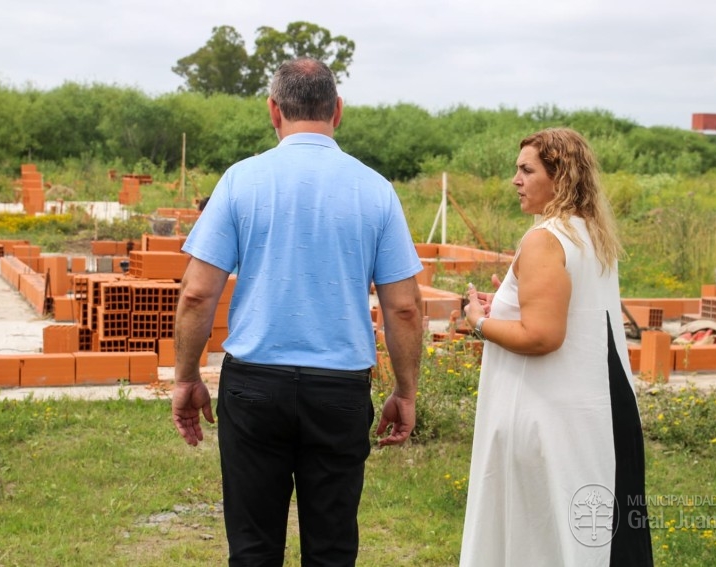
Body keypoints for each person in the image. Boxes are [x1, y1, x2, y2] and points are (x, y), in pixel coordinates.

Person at [171, 57, 424, 566]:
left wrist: (185, 377)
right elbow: (404, 308)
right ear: (338, 111)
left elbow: (198, 293)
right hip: (339, 390)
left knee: (253, 547)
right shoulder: (375, 189)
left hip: (253, 386)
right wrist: (405, 391)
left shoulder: (241, 181)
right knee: (331, 549)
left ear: (272, 111)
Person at [460, 128, 653, 566]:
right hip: (599, 411)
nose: (516, 180)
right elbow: (566, 309)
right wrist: (510, 303)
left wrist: (481, 321)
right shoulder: (590, 234)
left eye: (527, 170)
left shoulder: (544, 238)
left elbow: (543, 336)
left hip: (553, 420)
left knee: (545, 541)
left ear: (560, 176)